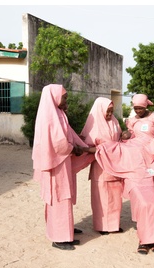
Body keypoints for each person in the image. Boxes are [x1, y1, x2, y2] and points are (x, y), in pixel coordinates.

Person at [82, 134, 154, 255]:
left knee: (153, 203)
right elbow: (100, 149)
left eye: (128, 132)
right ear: (120, 135)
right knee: (144, 205)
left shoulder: (141, 141)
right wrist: (80, 148)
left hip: (146, 178)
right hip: (132, 180)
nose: (126, 133)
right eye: (123, 133)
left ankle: (152, 240)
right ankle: (144, 241)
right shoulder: (117, 146)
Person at [32, 84, 93, 251]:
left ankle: (66, 231)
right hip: (55, 164)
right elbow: (58, 143)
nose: (66, 100)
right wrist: (76, 149)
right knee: (58, 197)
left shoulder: (59, 114)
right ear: (54, 97)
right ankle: (59, 237)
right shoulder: (49, 117)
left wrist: (84, 146)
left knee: (65, 195)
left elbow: (70, 134)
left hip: (62, 162)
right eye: (64, 97)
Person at [79, 97, 124, 235]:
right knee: (102, 197)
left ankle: (113, 225)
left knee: (116, 196)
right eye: (107, 111)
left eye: (111, 111)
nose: (110, 114)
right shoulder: (94, 125)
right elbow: (88, 145)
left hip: (115, 165)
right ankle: (102, 226)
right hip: (101, 166)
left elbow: (120, 138)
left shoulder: (114, 122)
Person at [126, 94, 154, 196]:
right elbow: (131, 135)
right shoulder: (132, 121)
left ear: (145, 106)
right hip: (138, 155)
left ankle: (153, 205)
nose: (138, 111)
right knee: (140, 181)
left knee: (152, 178)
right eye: (136, 109)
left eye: (141, 108)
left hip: (152, 154)